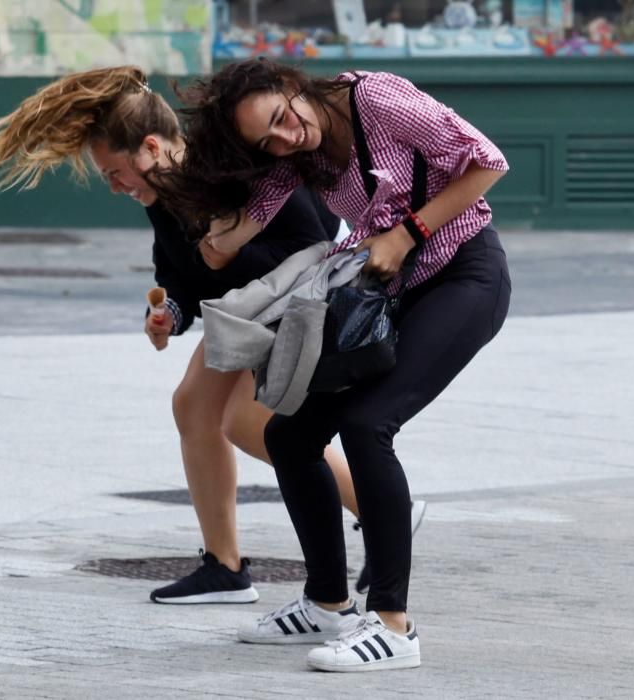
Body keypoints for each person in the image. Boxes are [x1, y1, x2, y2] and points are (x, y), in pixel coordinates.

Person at [0, 66, 374, 614]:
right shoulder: (162, 199)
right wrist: (170, 313)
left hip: (293, 305)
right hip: (242, 313)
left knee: (247, 423)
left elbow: (312, 241)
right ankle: (225, 568)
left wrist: (227, 253)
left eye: (115, 173)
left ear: (153, 147)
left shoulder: (226, 168)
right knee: (194, 407)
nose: (115, 187)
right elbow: (177, 275)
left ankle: (380, 511)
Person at [156, 58, 511, 670]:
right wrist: (207, 228)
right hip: (388, 290)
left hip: (462, 275)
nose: (286, 138)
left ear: (291, 85)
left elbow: (487, 161)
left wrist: (407, 232)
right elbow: (248, 223)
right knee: (290, 435)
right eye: (267, 140)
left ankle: (395, 628)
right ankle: (326, 604)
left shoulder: (375, 101)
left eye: (282, 119)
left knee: (369, 424)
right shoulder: (297, 155)